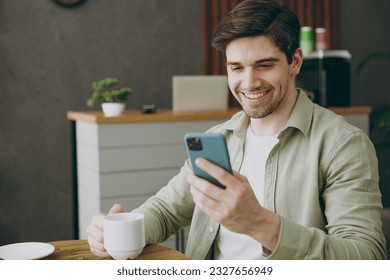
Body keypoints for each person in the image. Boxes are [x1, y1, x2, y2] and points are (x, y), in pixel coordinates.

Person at [87, 0, 387, 259]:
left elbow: (366, 257)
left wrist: (260, 224)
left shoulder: (343, 144)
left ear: (294, 61)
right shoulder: (220, 138)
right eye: (236, 68)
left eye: (264, 65)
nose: (249, 82)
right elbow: (166, 209)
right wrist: (122, 228)